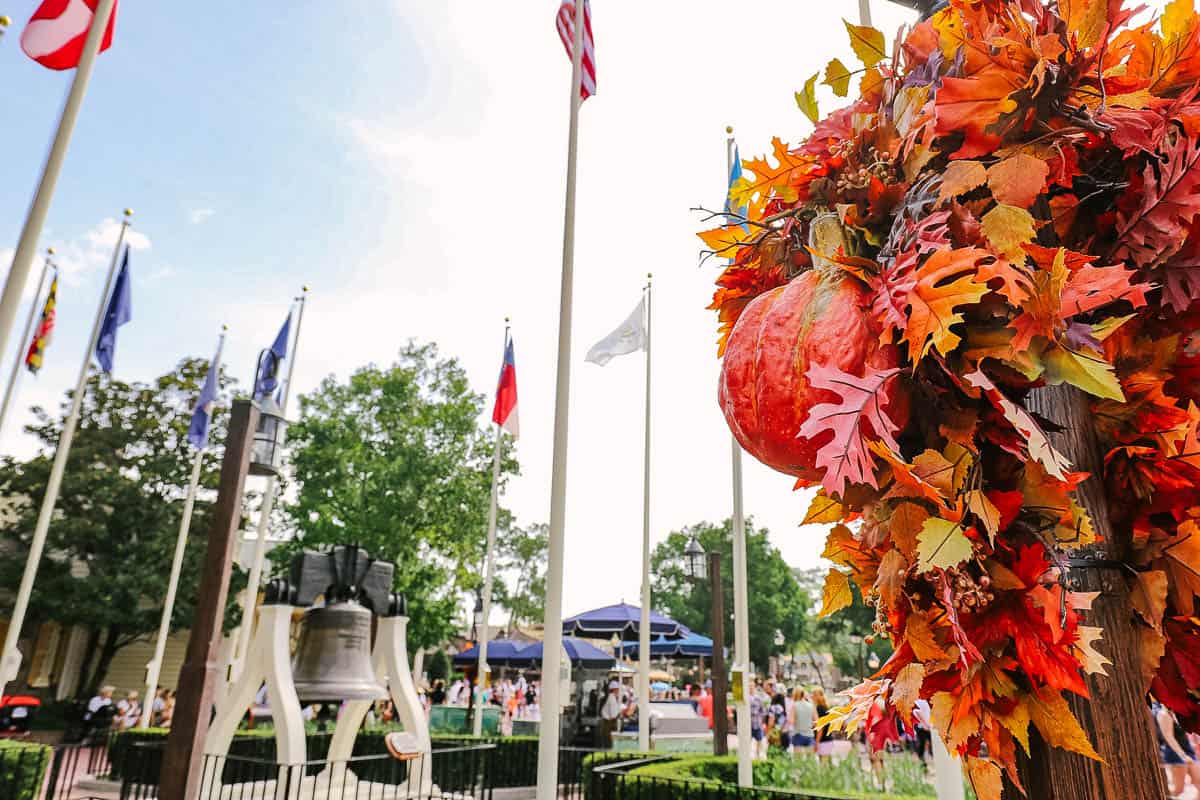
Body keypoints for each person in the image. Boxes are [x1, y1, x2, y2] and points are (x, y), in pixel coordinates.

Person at [1155, 701, 1196, 798]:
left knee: (1198, 782)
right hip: (1175, 754)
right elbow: (1168, 736)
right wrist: (1183, 755)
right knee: (1178, 790)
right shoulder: (1164, 714)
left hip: (1188, 751)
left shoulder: (1177, 714)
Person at [790, 688, 816, 753]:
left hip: (798, 735)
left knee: (798, 760)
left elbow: (791, 721)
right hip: (810, 735)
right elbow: (816, 721)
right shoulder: (811, 705)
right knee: (810, 760)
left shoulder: (794, 705)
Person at [812, 687, 833, 760]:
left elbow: (820, 727)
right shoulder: (826, 708)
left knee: (824, 766)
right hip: (827, 740)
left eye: (814, 695)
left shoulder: (819, 709)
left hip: (823, 741)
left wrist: (817, 742)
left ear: (820, 696)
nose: (812, 696)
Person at [599, 681, 622, 748]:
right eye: (618, 689)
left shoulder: (611, 697)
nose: (618, 691)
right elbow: (613, 714)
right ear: (615, 689)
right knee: (608, 742)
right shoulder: (612, 698)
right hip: (608, 723)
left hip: (607, 722)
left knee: (606, 740)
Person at [749, 681, 768, 760]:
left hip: (757, 722)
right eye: (749, 687)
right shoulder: (746, 698)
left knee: (759, 742)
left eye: (752, 686)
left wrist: (762, 721)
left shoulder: (758, 698)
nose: (750, 688)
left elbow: (763, 711)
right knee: (748, 742)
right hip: (748, 723)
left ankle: (759, 756)